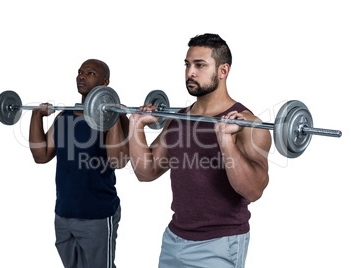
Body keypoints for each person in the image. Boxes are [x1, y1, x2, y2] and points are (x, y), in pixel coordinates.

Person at [128, 34, 271, 267]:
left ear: (223, 71)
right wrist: (136, 125)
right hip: (174, 239)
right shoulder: (178, 119)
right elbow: (146, 172)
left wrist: (226, 142)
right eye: (187, 64)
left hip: (219, 243)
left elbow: (253, 191)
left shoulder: (247, 124)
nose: (190, 73)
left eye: (200, 65)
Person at [29, 59, 129, 268]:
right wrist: (36, 116)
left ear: (105, 81)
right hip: (64, 214)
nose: (81, 76)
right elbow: (41, 156)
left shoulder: (116, 118)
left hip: (98, 216)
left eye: (90, 73)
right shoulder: (63, 117)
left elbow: (118, 161)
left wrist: (113, 114)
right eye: (80, 72)